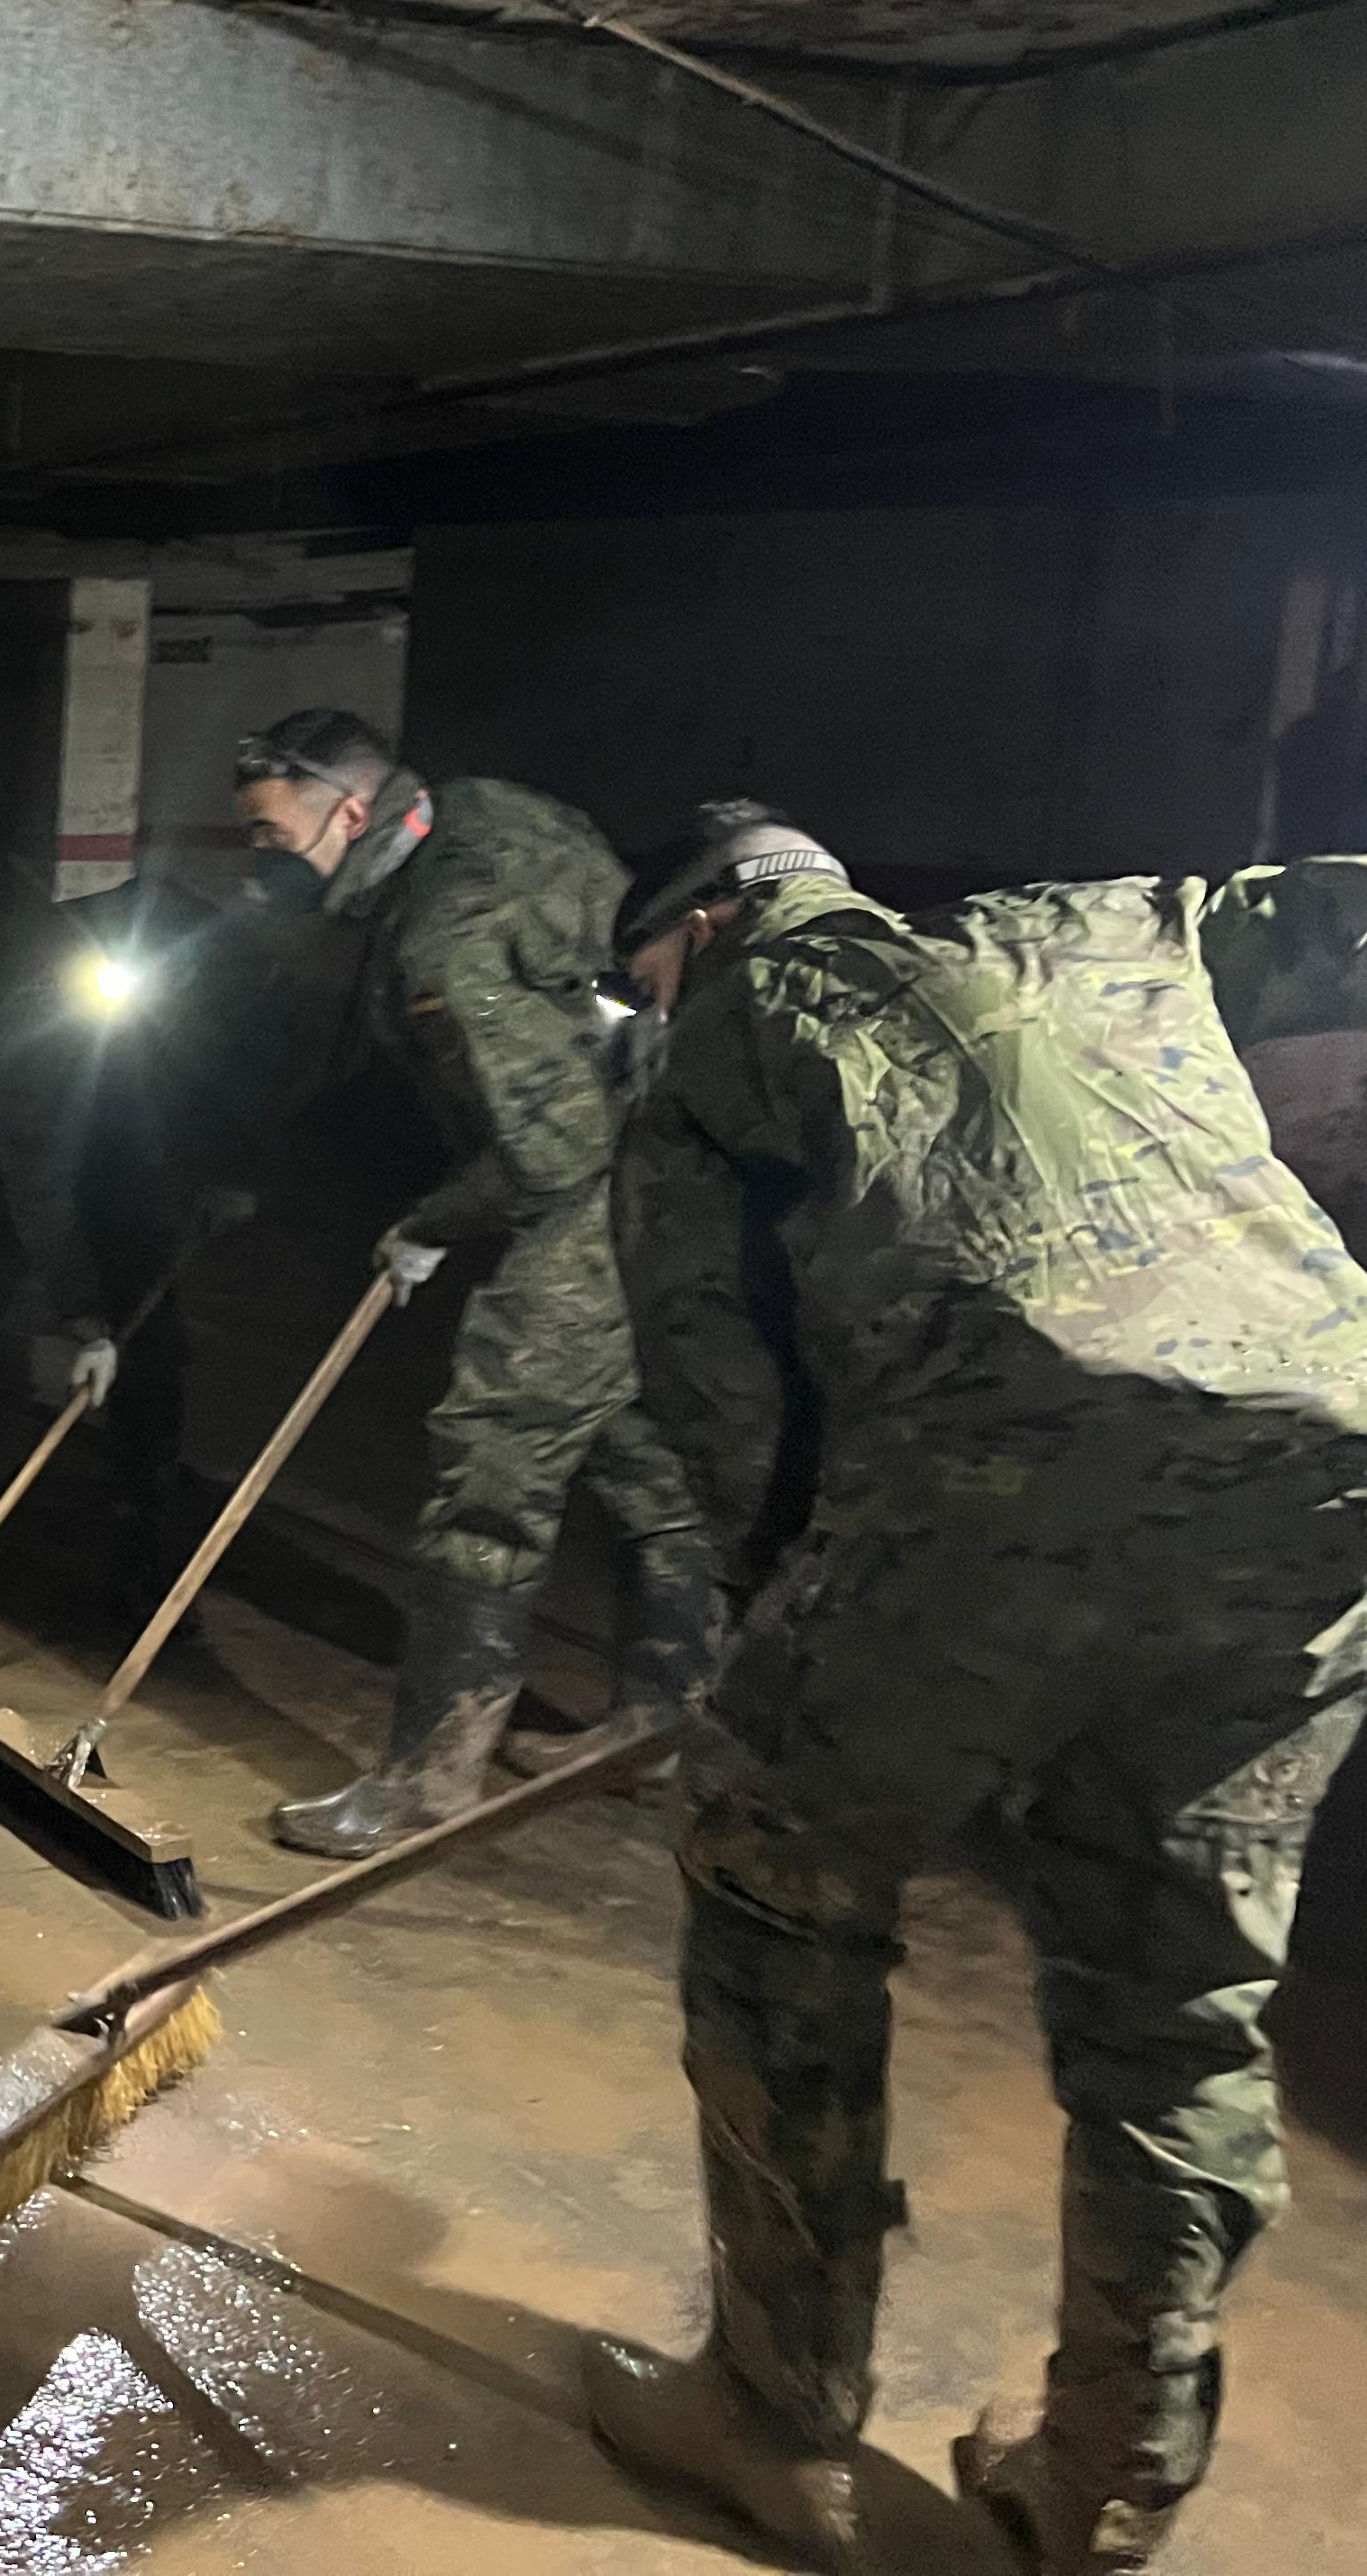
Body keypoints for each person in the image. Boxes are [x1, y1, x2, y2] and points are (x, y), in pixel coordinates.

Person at [587, 804, 1367, 2576]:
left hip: (1005, 1464)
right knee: (1180, 1990)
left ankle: (775, 2420)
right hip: (1324, 1458)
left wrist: (775, 1650)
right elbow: (1343, 919)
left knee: (771, 1874)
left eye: (638, 980)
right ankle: (1106, 2477)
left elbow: (719, 1404)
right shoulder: (1112, 911)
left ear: (699, 932)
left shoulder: (717, 1039)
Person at [228, 709, 715, 1857]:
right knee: (647, 1453)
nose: (262, 859)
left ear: (350, 813)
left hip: (591, 1199)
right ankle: (663, 1723)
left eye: (271, 832)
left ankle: (424, 1781)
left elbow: (547, 1148)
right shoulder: (489, 809)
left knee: (490, 1467)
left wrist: (430, 1223)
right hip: (677, 1174)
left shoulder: (444, 936)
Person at [0, 849, 322, 1639]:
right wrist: (83, 1317)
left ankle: (148, 1579)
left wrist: (233, 1173)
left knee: (152, 1372)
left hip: (127, 1175)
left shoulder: (254, 986)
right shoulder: (67, 983)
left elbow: (256, 1093)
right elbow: (35, 1169)